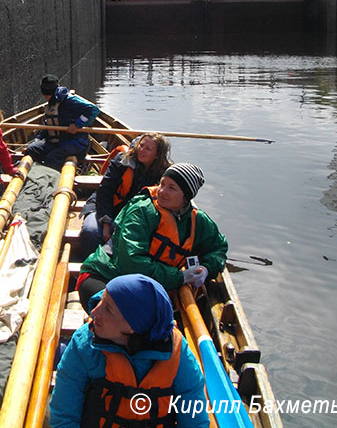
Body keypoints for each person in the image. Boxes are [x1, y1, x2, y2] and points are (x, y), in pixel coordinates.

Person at [49, 274, 209, 428]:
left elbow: (194, 420)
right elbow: (64, 415)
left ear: (133, 327)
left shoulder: (177, 354)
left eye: (108, 309)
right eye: (101, 302)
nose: (94, 312)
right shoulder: (84, 344)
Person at [77, 163, 228, 305]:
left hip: (149, 287)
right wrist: (179, 277)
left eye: (172, 188)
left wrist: (206, 269)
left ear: (185, 197)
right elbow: (131, 262)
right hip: (105, 276)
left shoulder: (198, 220)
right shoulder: (142, 210)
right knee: (127, 319)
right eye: (162, 184)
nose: (162, 192)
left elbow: (218, 248)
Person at [79, 133, 171, 258]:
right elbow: (105, 191)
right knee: (91, 231)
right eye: (141, 145)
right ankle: (88, 268)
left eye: (148, 149)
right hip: (104, 208)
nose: (141, 150)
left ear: (157, 155)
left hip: (134, 218)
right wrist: (106, 222)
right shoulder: (122, 161)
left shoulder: (164, 174)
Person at [23, 74, 100, 170]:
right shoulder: (52, 102)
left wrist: (77, 125)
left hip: (75, 144)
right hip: (56, 142)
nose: (45, 97)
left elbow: (93, 110)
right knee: (32, 149)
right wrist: (37, 140)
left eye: (47, 95)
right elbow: (49, 124)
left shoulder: (70, 100)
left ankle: (53, 180)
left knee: (52, 158)